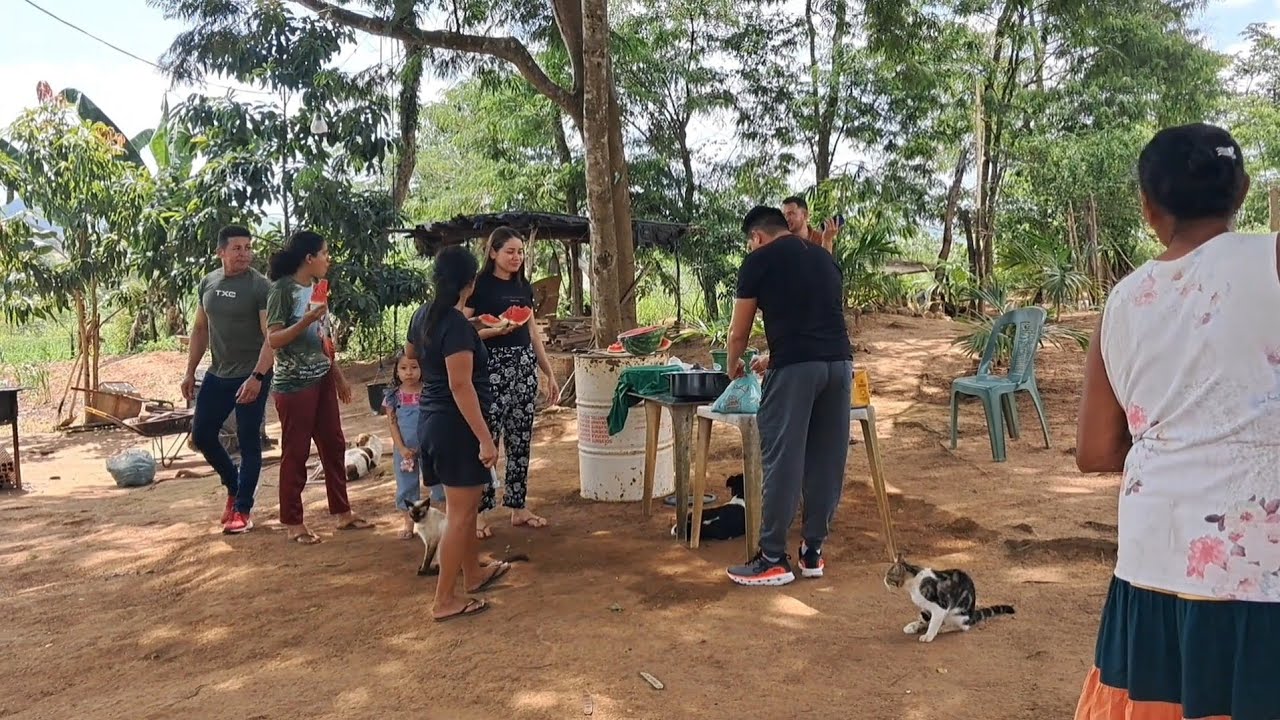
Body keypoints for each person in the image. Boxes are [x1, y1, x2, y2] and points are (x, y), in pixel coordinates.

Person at [1073, 123, 1280, 720]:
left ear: (1146, 206)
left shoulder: (1124, 299)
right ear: (1241, 191)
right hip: (1261, 573)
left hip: (1154, 563)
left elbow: (1094, 450)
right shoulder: (1270, 256)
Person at [724, 206, 853, 587]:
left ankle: (773, 558)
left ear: (757, 237)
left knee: (783, 458)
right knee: (827, 459)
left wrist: (734, 365)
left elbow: (738, 334)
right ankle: (812, 552)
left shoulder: (758, 261)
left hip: (796, 371)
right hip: (840, 366)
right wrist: (775, 356)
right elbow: (817, 318)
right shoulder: (823, 258)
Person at [406, 245, 513, 622]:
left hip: (432, 423)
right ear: (470, 283)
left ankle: (474, 573)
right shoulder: (454, 326)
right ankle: (444, 600)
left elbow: (413, 357)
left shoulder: (424, 318)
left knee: (461, 510)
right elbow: (461, 386)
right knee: (461, 515)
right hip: (457, 427)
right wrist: (485, 438)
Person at [265, 230, 372, 545]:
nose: (329, 259)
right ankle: (293, 522)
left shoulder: (317, 288)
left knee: (334, 444)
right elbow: (274, 339)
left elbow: (323, 337)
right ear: (308, 258)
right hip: (294, 382)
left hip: (322, 376)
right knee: (296, 451)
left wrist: (336, 373)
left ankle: (342, 513)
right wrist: (305, 320)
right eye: (324, 253)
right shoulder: (281, 291)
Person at [462, 227, 559, 536]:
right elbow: (461, 327)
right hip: (490, 370)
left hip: (524, 368)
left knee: (521, 440)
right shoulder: (479, 287)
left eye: (520, 252)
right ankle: (479, 510)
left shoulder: (524, 287)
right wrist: (492, 330)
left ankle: (518, 506)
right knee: (487, 440)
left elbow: (532, 334)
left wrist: (549, 373)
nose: (517, 257)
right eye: (510, 251)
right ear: (493, 253)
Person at [182, 225, 274, 534]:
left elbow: (271, 337)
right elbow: (199, 330)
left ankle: (243, 510)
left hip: (252, 373)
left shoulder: (260, 286)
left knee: (249, 440)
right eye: (237, 248)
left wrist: (258, 376)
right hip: (218, 372)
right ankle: (233, 487)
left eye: (248, 247)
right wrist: (189, 371)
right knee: (202, 435)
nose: (244, 254)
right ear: (220, 251)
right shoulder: (208, 282)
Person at [384, 349, 445, 539]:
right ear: (396, 371)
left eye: (414, 367)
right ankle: (409, 522)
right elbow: (392, 424)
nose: (408, 372)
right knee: (406, 485)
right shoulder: (393, 397)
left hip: (430, 446)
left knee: (439, 482)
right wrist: (401, 448)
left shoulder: (429, 391)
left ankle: (445, 519)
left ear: (422, 369)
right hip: (404, 451)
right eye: (403, 368)